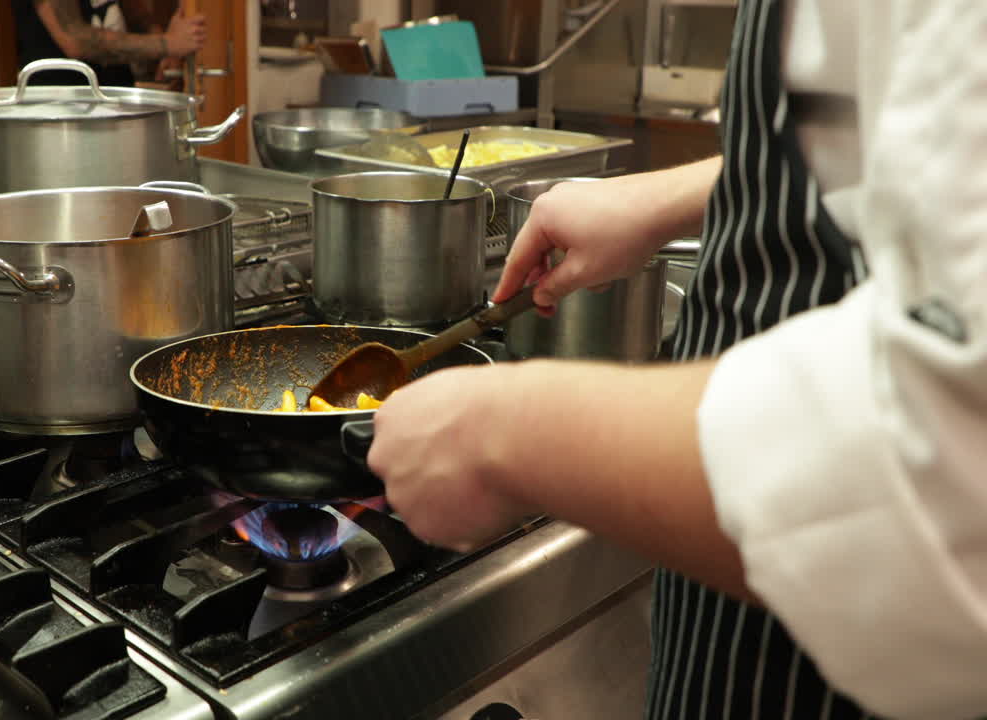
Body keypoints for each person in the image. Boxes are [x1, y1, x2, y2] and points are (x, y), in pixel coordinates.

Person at [368, 1, 987, 718]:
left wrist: (510, 434)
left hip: (863, 632)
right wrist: (674, 197)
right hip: (731, 556)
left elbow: (952, 469)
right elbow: (910, 136)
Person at [13, 0, 206, 86]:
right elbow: (75, 40)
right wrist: (166, 44)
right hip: (62, 108)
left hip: (115, 97)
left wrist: (164, 52)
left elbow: (137, 16)